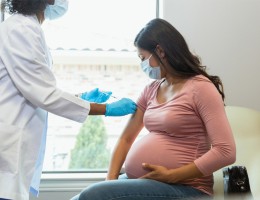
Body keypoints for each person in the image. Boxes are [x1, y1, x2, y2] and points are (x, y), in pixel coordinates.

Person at [71, 18, 236, 200]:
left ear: (160, 51)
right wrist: (110, 180)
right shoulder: (151, 90)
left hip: (186, 188)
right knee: (79, 198)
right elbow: (126, 138)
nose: (143, 65)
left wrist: (172, 175)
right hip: (150, 183)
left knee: (92, 195)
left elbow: (225, 152)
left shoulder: (201, 88)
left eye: (143, 58)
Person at [0, 0, 137, 200]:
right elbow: (44, 94)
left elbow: (38, 88)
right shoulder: (21, 29)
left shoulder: (28, 28)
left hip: (17, 146)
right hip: (9, 149)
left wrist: (80, 98)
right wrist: (105, 108)